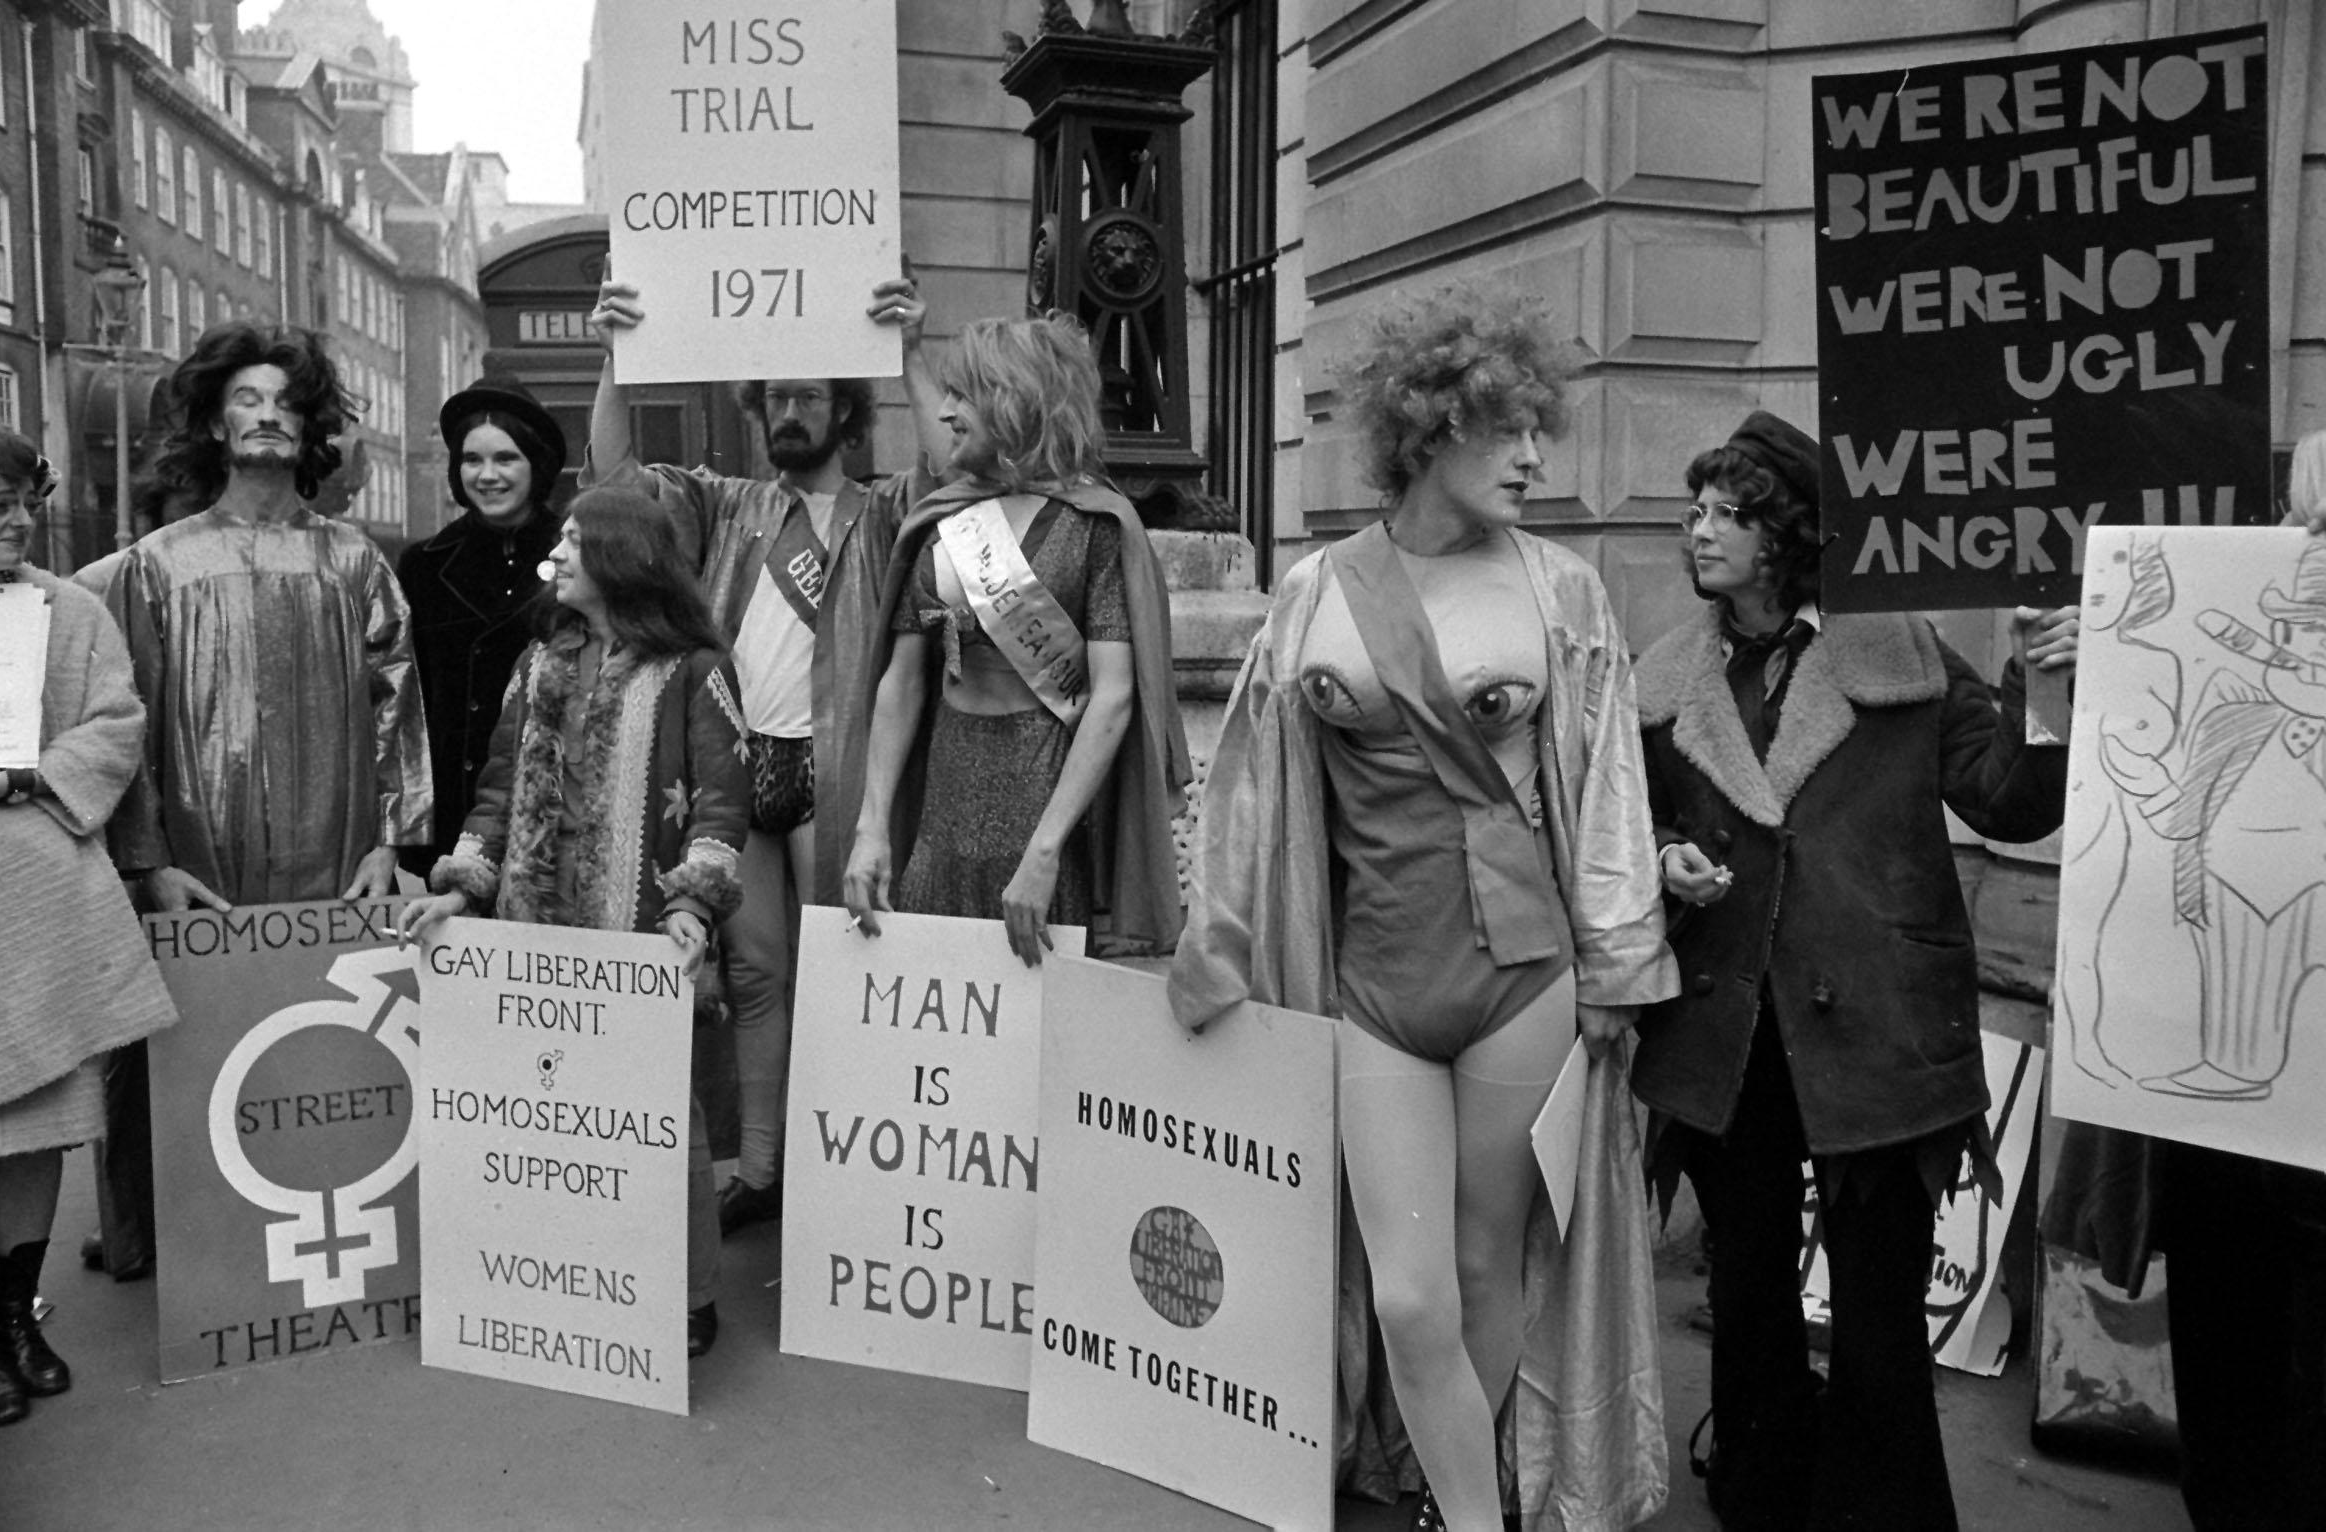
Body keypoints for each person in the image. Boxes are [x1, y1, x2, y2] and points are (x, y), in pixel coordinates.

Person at [1170, 290, 1677, 1532]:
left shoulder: (1561, 591)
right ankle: (1465, 1497)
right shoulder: (1314, 594)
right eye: (1502, 428)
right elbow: (1246, 785)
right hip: (1377, 984)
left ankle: (1465, 1513)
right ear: (1426, 426)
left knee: (1479, 1264)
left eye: (1533, 429)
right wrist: (1214, 941)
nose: (1532, 456)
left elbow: (1608, 783)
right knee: (1406, 1294)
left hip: (1525, 981)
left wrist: (1618, 960)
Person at [1632, 411, 2075, 1531]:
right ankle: (1762, 1491)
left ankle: (1881, 1512)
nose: (1699, 530)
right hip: (1726, 1033)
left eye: (1726, 512)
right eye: (1696, 510)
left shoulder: (1904, 651)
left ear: (1784, 532)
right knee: (1747, 1291)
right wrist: (1659, 863)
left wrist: (2051, 684)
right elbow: (1617, 833)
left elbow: (2012, 800)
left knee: (1879, 1304)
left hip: (1875, 1028)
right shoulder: (1663, 675)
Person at [585, 270, 938, 1233]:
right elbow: (614, 481)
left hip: (836, 772)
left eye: (809, 396)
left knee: (846, 973)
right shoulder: (721, 503)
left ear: (845, 411)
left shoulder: (885, 509)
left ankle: (848, 1173)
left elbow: (955, 474)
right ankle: (765, 1168)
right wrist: (617, 357)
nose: (789, 411)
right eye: (776, 396)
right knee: (757, 978)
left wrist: (910, 350)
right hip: (740, 772)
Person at [100, 322, 432, 1272]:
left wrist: (391, 845)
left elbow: (395, 707)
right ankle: (164, 1238)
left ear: (311, 426)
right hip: (201, 858)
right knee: (183, 1043)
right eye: (246, 399)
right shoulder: (157, 566)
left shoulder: (356, 562)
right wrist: (149, 860)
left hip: (336, 847)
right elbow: (127, 724)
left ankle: (323, 1209)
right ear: (211, 421)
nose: (269, 416)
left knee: (320, 1040)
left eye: (287, 402)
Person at [2045, 423, 2326, 1532]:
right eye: (2295, 518)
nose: (2302, 543)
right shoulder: (2233, 696)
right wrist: (2089, 680)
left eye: (2324, 523)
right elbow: (2152, 811)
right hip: (2231, 1127)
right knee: (2228, 1385)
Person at [400, 486, 751, 1358]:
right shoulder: (537, 666)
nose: (554, 553)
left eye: (572, 539)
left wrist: (691, 901)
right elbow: (494, 792)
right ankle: (568, 1275)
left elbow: (722, 802)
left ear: (621, 558)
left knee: (664, 1122)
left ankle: (691, 1295)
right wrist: (460, 887)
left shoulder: (696, 670)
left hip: (639, 941)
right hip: (534, 939)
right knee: (553, 1121)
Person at [0, 428, 180, 1425]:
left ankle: (16, 1315)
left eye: (28, 500)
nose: (18, 519)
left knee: (38, 1124)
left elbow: (115, 725)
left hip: (41, 902)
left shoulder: (68, 610)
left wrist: (11, 779)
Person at [843, 312, 1188, 967]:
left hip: (1045, 836)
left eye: (962, 395)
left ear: (1015, 399)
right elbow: (903, 680)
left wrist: (1045, 851)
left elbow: (1113, 697)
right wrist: (873, 825)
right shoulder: (945, 520)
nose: (945, 413)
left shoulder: (1097, 525)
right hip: (938, 829)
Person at [396, 373, 569, 881]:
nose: (487, 475)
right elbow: (406, 702)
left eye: (505, 458)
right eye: (473, 460)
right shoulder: (423, 565)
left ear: (535, 463)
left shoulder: (576, 551)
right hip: (457, 816)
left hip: (557, 806)